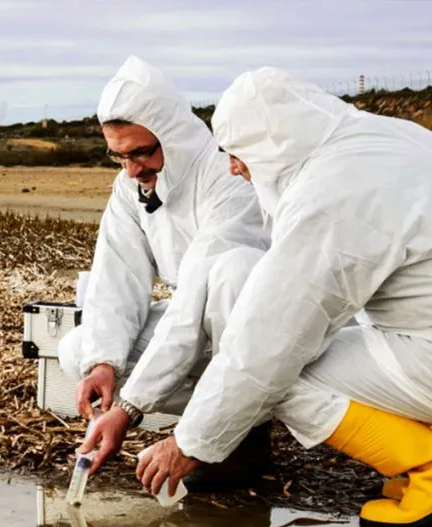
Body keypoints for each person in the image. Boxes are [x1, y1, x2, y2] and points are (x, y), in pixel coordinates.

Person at [136, 66, 432, 527]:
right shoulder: (385, 138)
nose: (233, 167)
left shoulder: (331, 191)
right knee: (332, 339)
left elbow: (265, 349)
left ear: (271, 144)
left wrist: (189, 443)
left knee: (280, 374)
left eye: (237, 153)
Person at [57, 55, 273, 490]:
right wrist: (103, 363)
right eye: (119, 156)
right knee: (78, 348)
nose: (132, 169)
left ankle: (242, 432)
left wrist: (130, 408)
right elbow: (116, 281)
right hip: (194, 330)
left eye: (141, 152)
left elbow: (195, 303)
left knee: (233, 271)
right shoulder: (130, 187)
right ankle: (214, 417)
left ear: (172, 137)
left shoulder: (227, 176)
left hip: (256, 335)